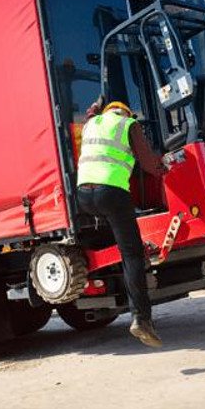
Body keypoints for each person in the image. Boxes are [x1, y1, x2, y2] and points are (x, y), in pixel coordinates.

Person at [77, 100, 166, 348]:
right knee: (132, 255)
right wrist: (164, 168)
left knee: (119, 238)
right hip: (112, 194)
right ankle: (141, 319)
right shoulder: (129, 125)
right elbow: (148, 163)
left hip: (84, 197)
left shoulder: (92, 124)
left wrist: (95, 105)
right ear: (125, 112)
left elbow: (91, 112)